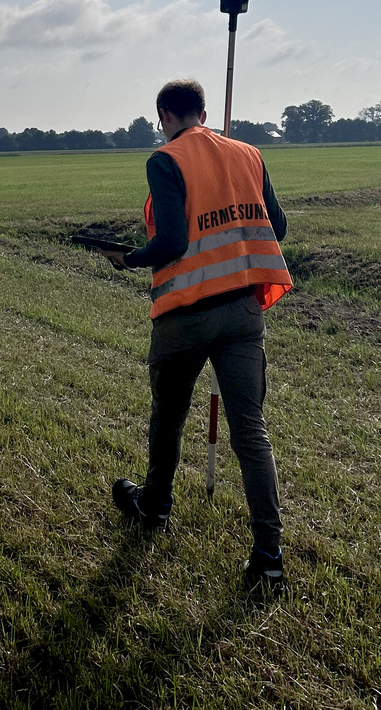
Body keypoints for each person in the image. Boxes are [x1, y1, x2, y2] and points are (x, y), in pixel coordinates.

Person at [93, 78, 292, 591]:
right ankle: (269, 557)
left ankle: (155, 506)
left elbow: (174, 240)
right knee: (251, 432)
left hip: (186, 315)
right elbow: (280, 226)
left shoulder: (165, 160)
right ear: (203, 111)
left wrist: (129, 259)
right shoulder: (248, 153)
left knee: (170, 417)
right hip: (243, 313)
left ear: (164, 114)